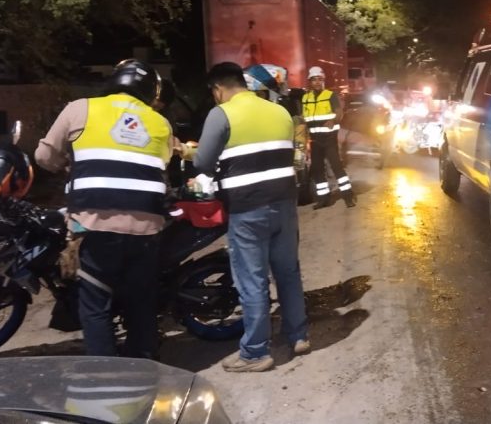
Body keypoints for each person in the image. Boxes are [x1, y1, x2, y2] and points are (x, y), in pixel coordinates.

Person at [36, 59, 174, 357]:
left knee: (95, 302)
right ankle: (144, 363)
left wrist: (68, 163)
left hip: (94, 224)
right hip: (146, 228)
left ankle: (105, 371)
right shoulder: (160, 123)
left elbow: (44, 156)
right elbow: (161, 162)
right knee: (141, 301)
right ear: (150, 91)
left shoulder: (80, 109)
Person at [193, 63, 309, 373]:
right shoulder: (280, 112)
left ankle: (256, 352)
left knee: (252, 279)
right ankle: (298, 335)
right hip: (285, 205)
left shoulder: (222, 114)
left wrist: (190, 153)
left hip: (248, 209)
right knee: (288, 272)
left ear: (218, 89)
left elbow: (203, 163)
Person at [302, 66, 356, 209]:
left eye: (320, 79)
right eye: (314, 80)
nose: (317, 82)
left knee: (336, 166)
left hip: (329, 138)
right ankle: (323, 199)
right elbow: (305, 117)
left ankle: (348, 196)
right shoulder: (306, 98)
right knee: (317, 169)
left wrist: (334, 120)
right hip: (314, 139)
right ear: (310, 82)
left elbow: (339, 112)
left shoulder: (330, 95)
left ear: (323, 81)